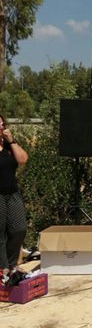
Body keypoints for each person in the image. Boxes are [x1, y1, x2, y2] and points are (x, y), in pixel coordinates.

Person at [0, 115, 29, 285]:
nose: (1, 127)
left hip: (12, 194)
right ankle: (4, 268)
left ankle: (11, 264)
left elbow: (23, 159)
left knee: (19, 229)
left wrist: (12, 141)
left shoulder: (8, 146)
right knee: (0, 233)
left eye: (2, 124)